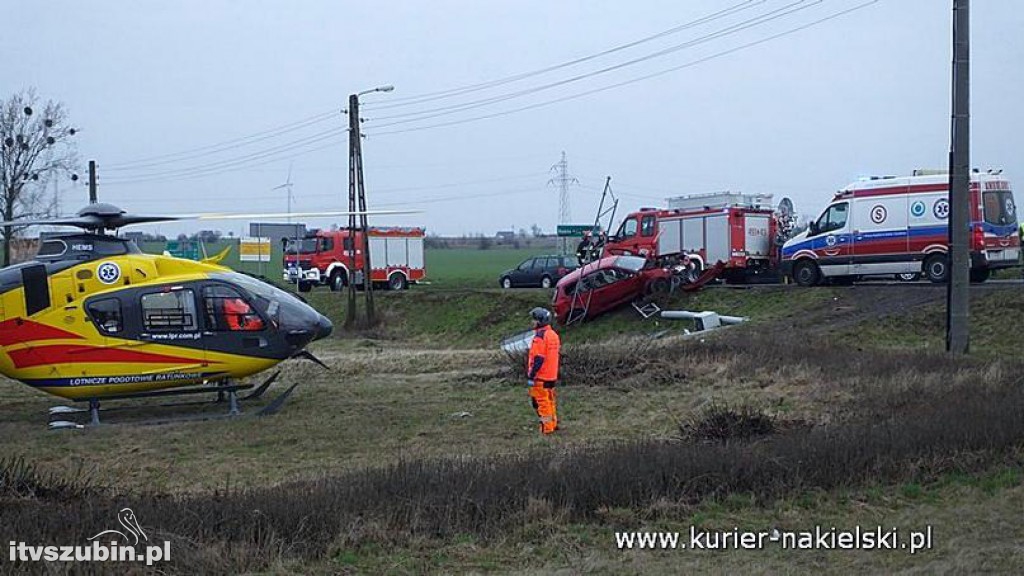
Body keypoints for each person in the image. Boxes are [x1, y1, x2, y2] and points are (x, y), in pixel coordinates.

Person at [526, 307, 560, 434]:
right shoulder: (553, 335)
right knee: (550, 400)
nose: (532, 322)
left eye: (534, 320)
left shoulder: (540, 337)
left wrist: (531, 375)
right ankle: (553, 423)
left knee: (541, 403)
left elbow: (538, 358)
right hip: (552, 375)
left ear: (540, 321)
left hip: (541, 377)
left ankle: (547, 428)